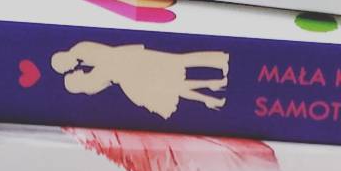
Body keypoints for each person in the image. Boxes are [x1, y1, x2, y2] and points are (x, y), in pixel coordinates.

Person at [51, 41, 230, 119]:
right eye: (69, 71)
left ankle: (217, 63)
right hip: (130, 75)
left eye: (67, 68)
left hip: (134, 62)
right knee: (171, 85)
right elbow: (105, 75)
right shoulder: (86, 74)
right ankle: (211, 89)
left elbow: (109, 60)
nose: (71, 69)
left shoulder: (81, 51)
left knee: (177, 62)